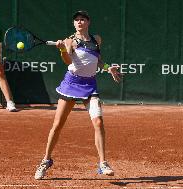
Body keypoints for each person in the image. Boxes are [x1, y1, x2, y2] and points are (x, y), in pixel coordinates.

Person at [34, 10, 121, 180]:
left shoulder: (97, 39)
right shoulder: (70, 41)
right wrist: (63, 49)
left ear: (88, 22)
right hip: (71, 84)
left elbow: (98, 60)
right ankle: (45, 161)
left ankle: (103, 163)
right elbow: (68, 61)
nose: (79, 22)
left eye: (82, 19)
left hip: (90, 85)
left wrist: (107, 68)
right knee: (58, 125)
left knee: (98, 121)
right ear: (74, 24)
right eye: (77, 20)